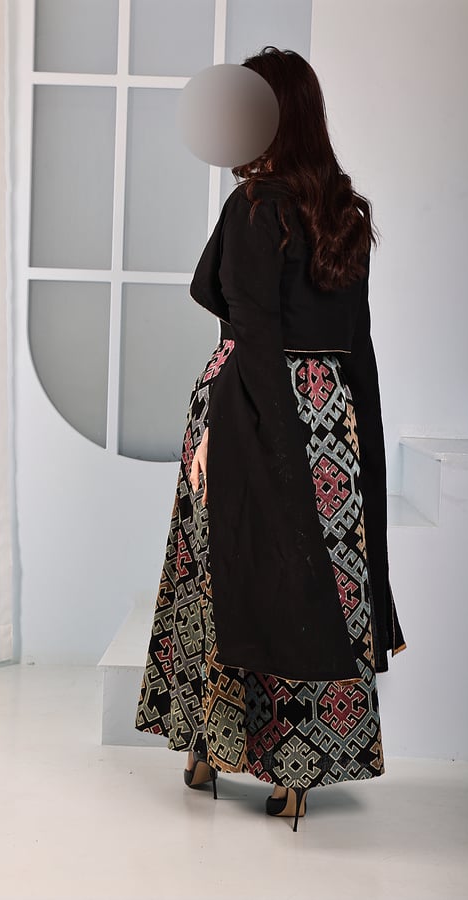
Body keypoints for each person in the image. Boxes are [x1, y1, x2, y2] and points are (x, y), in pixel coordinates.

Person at [135, 46, 406, 832]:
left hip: (251, 406)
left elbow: (250, 333)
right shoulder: (347, 210)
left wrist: (252, 445)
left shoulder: (256, 207)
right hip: (328, 418)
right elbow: (357, 345)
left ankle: (207, 747)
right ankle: (301, 768)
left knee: (222, 573)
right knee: (317, 575)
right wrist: (350, 443)